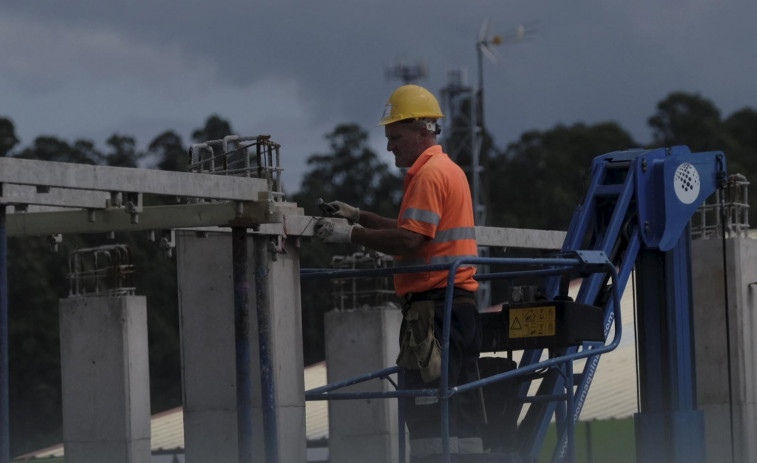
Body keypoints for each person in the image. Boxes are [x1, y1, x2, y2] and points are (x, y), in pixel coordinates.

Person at [314, 84, 484, 462]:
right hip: (457, 310)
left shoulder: (427, 176)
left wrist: (351, 235)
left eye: (396, 136)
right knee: (458, 408)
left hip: (435, 312)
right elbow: (414, 231)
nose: (390, 145)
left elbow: (409, 242)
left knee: (426, 410)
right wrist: (358, 216)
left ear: (423, 131)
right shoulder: (448, 171)